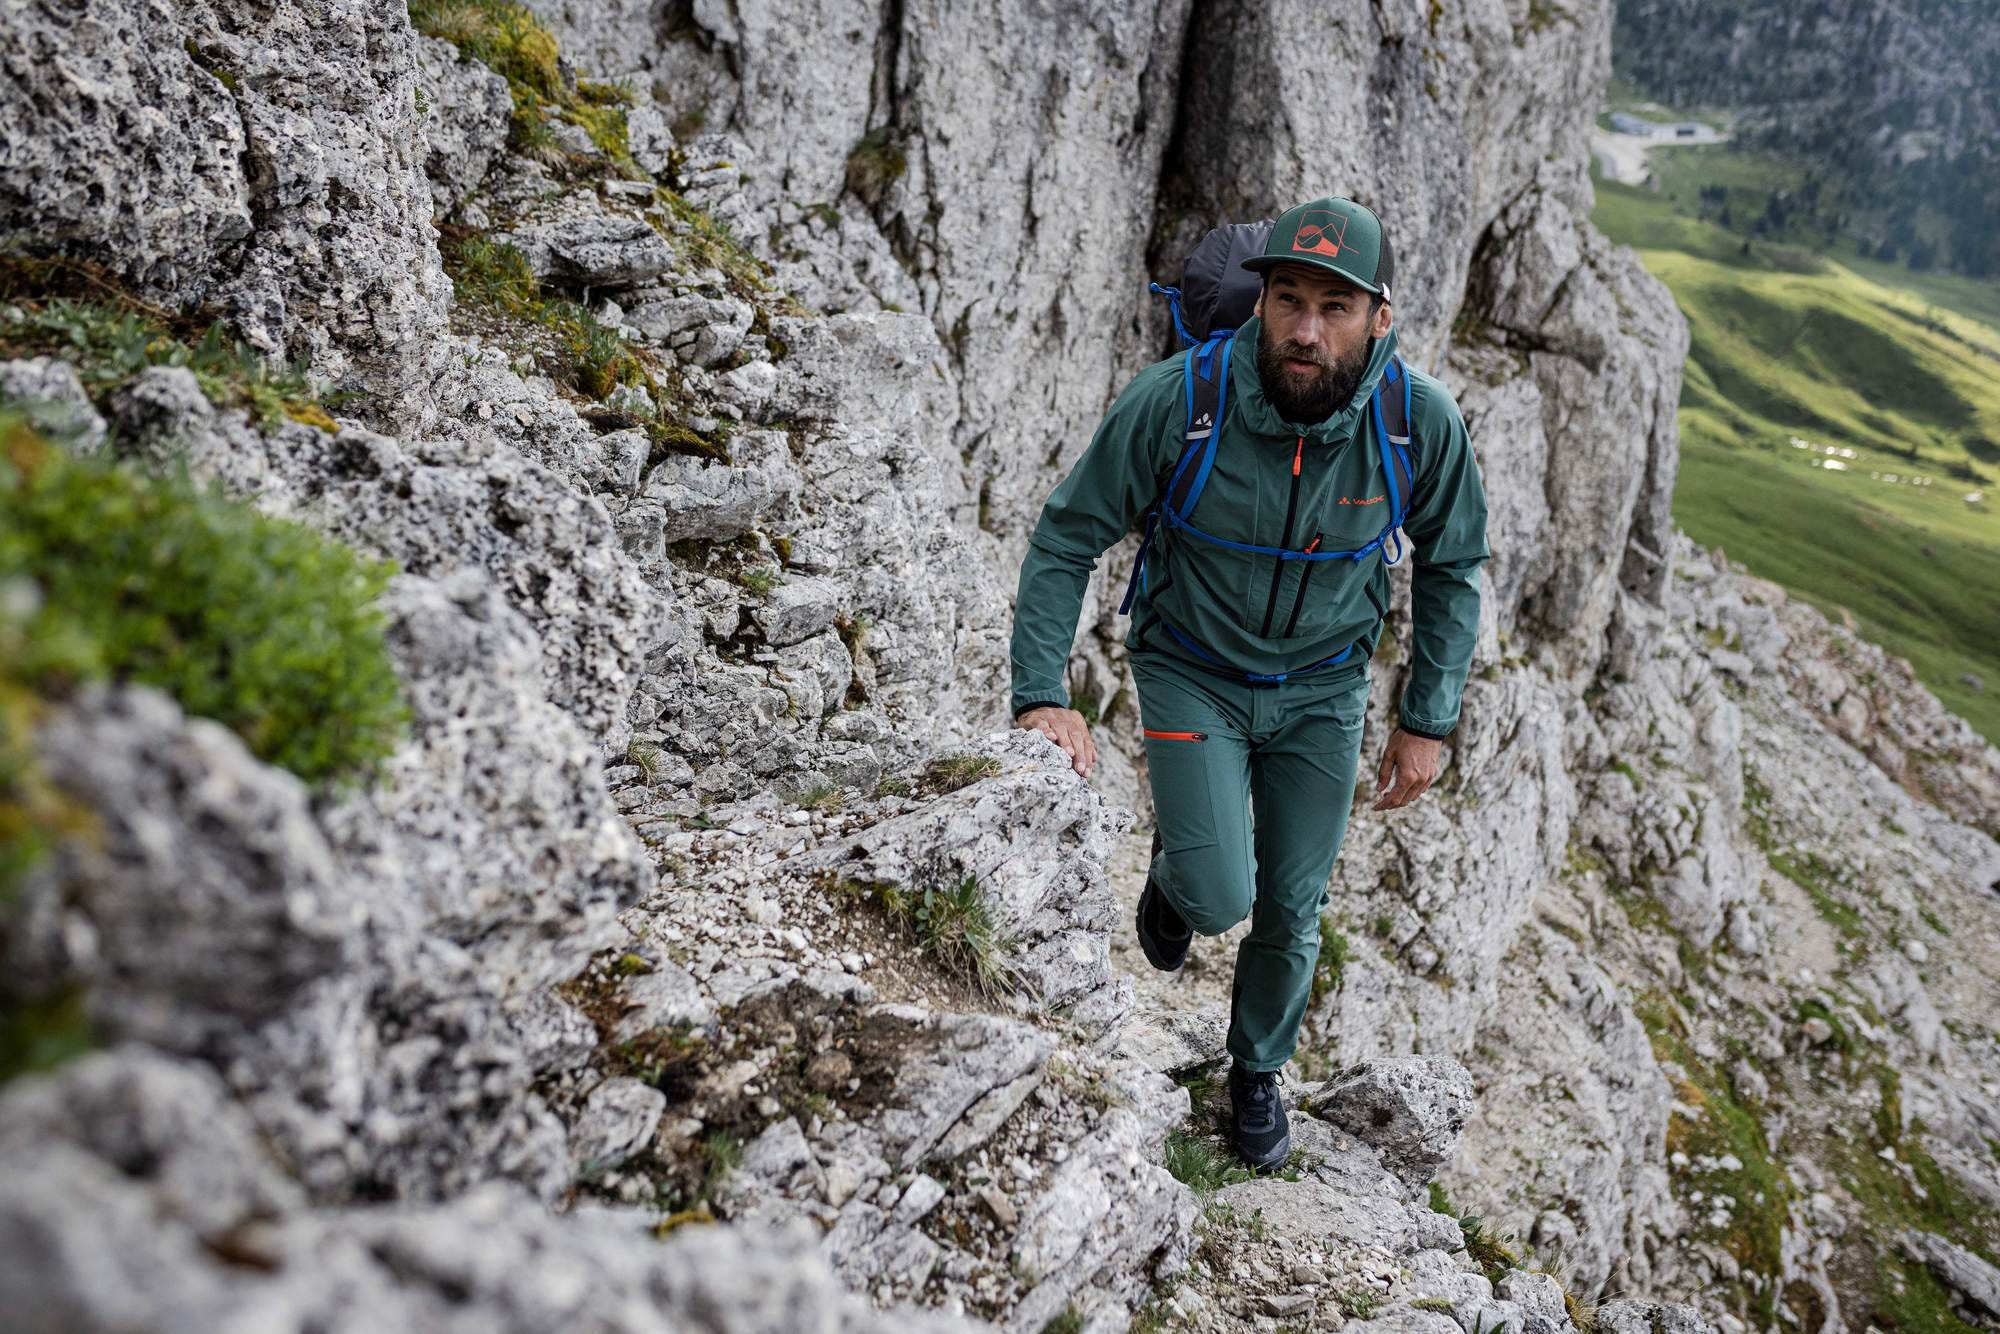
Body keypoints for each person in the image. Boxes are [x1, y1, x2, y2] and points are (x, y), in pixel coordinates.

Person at [1008, 196, 1489, 1168]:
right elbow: (1067, 531)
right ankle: (1181, 881)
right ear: (1260, 302)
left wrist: (1426, 717)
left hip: (1323, 686)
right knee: (1223, 891)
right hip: (1192, 667)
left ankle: (1255, 1070)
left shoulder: (1414, 424)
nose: (1305, 328)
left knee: (1293, 902)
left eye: (1333, 306)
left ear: (1378, 318)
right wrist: (1039, 691)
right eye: (1286, 299)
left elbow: (1451, 561)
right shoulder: (1181, 398)